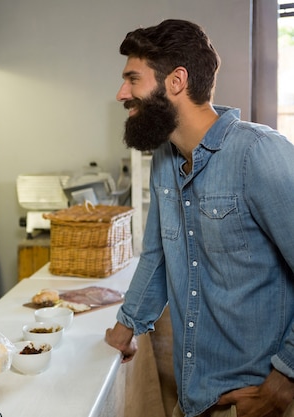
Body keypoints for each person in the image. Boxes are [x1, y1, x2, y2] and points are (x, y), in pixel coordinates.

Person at [104, 19, 294, 417]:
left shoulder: (260, 154)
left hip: (256, 402)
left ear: (176, 81)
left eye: (132, 79)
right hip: (195, 398)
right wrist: (127, 327)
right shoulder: (164, 160)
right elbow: (156, 255)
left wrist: (285, 381)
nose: (122, 93)